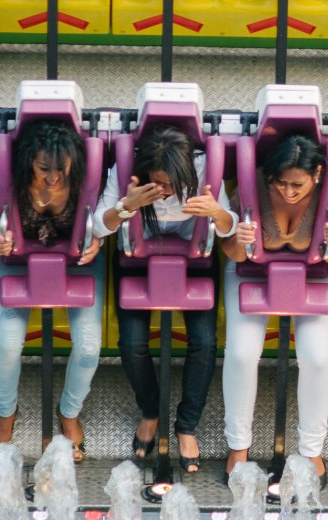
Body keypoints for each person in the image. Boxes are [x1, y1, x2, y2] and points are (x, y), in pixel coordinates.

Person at [94, 124, 237, 473]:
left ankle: (187, 426)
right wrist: (127, 206)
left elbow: (230, 225)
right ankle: (150, 411)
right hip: (137, 257)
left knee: (204, 343)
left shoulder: (204, 169)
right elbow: (99, 225)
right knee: (131, 344)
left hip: (195, 257)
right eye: (158, 183)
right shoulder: (126, 169)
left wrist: (215, 212)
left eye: (172, 184)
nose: (166, 191)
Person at [221, 134, 328, 486]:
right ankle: (238, 447)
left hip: (315, 273)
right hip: (252, 271)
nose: (289, 192)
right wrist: (238, 239)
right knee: (242, 354)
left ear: (318, 174)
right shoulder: (251, 190)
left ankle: (311, 450)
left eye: (298, 185)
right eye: (281, 183)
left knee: (317, 357)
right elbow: (231, 253)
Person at [0, 120, 103, 462]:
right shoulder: (15, 183)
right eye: (43, 168)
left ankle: (68, 411)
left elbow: (100, 223)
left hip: (76, 260)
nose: (52, 178)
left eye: (60, 169)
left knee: (89, 347)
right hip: (18, 258)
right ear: (29, 163)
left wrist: (95, 242)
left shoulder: (82, 182)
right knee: (8, 344)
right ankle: (6, 411)